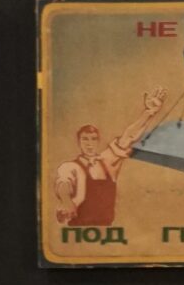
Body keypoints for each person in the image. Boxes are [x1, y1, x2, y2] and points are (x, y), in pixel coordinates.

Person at [51, 89, 169, 227]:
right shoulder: (71, 167)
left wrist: (149, 113)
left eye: (93, 139)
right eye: (85, 139)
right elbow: (63, 184)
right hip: (79, 231)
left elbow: (128, 137)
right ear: (79, 141)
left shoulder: (107, 162)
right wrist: (66, 202)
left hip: (107, 230)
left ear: (98, 141)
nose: (89, 144)